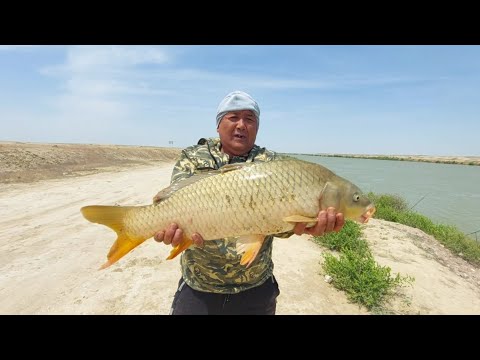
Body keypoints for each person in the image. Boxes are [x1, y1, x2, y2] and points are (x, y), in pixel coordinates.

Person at [153, 90, 345, 315]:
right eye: (233, 117)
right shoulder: (193, 157)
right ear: (218, 125)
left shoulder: (272, 164)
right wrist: (171, 231)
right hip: (199, 287)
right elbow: (174, 207)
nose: (242, 125)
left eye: (249, 118)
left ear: (257, 127)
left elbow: (279, 224)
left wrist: (305, 226)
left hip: (256, 288)